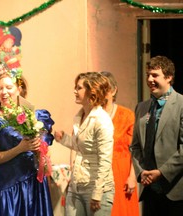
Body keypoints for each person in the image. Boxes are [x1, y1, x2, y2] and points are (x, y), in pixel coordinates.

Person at [0, 68, 55, 216]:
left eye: (9, 87)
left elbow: (46, 160)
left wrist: (37, 151)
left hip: (34, 186)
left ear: (19, 89)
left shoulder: (35, 118)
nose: (4, 92)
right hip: (9, 190)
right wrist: (20, 148)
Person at [54, 72, 115, 216]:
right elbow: (82, 147)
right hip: (77, 186)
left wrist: (97, 193)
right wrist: (63, 139)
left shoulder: (102, 120)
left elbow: (105, 159)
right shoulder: (80, 115)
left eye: (79, 88)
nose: (75, 91)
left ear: (91, 91)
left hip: (96, 188)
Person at [129, 55, 183, 216]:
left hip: (175, 191)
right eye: (148, 75)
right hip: (150, 190)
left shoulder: (181, 105)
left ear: (169, 77)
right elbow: (135, 146)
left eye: (155, 75)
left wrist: (161, 172)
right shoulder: (142, 107)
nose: (150, 79)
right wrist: (141, 172)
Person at [101, 71, 139, 216]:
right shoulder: (93, 114)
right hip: (100, 175)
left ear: (114, 90)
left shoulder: (127, 115)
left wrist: (132, 177)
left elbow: (135, 150)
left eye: (105, 88)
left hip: (121, 174)